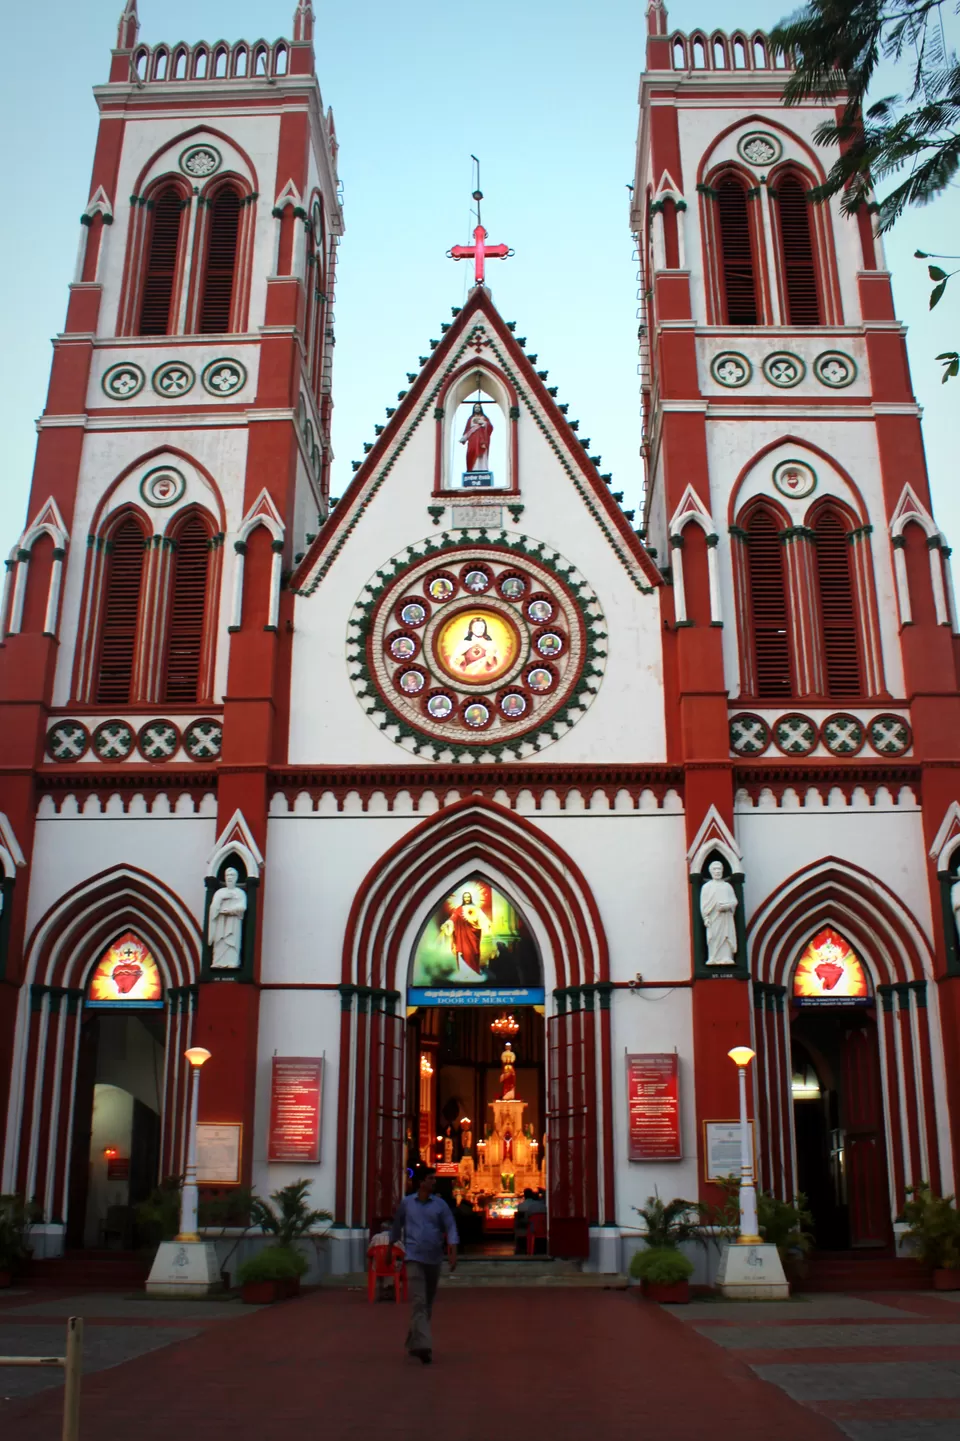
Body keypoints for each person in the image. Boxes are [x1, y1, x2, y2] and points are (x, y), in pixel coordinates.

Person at [390, 1165, 459, 1364]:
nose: (434, 1181)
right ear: (421, 1182)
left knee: (426, 1303)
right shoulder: (407, 1204)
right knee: (419, 1300)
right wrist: (390, 1248)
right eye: (430, 1178)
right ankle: (424, 1346)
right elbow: (397, 1225)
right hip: (413, 1256)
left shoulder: (440, 1205)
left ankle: (413, 1341)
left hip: (434, 1257)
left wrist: (452, 1249)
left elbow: (450, 1226)